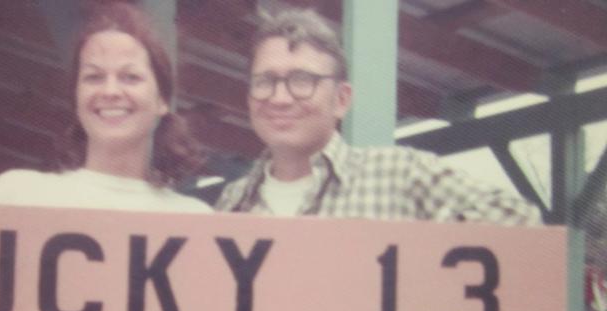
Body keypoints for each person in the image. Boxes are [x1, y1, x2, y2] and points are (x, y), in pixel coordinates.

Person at [215, 8, 542, 224]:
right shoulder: (230, 203)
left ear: (341, 100)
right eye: (265, 81)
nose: (280, 98)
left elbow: (520, 220)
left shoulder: (401, 175)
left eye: (302, 81)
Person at [0, 2, 211, 218]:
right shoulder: (14, 194)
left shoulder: (195, 220)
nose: (110, 91)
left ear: (162, 101)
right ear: (76, 98)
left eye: (130, 77)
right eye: (93, 77)